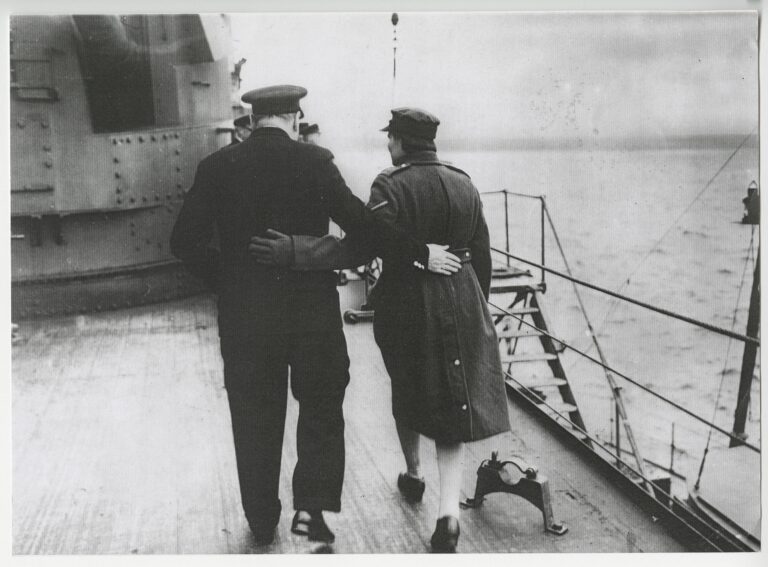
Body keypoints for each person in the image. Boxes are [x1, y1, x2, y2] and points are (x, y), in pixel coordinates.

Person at [170, 88, 460, 547]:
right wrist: (421, 252)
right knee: (322, 409)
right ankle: (313, 512)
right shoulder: (315, 161)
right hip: (312, 318)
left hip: (246, 319)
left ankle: (262, 519)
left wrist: (231, 281)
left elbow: (183, 242)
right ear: (294, 115)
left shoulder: (216, 167)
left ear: (253, 117)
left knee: (254, 417)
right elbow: (365, 228)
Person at [250, 107, 511, 553]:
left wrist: (295, 250)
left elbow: (358, 247)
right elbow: (481, 254)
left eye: (390, 138)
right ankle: (449, 513)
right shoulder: (465, 183)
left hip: (408, 302)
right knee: (455, 399)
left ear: (399, 142)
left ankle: (413, 473)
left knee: (407, 389)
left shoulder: (390, 184)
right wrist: (476, 306)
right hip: (464, 297)